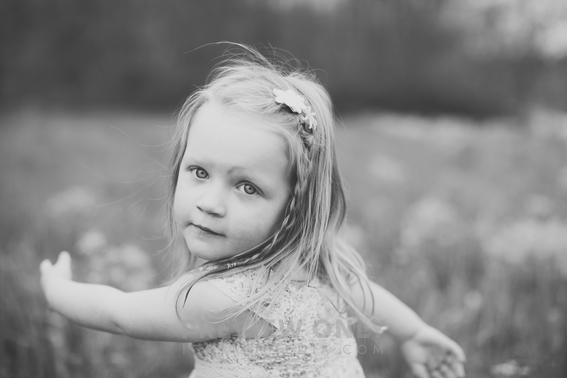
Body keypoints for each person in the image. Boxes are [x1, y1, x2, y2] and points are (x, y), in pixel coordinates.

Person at [40, 45, 466, 378]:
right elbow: (368, 296)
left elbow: (118, 315)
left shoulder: (224, 300)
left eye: (247, 187)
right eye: (199, 172)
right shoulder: (314, 264)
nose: (211, 202)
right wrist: (413, 332)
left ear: (295, 207)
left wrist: (58, 292)